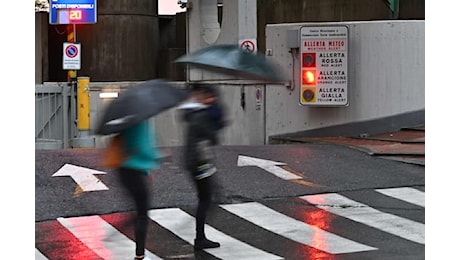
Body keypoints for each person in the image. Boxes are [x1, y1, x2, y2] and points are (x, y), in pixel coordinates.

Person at [180, 84, 228, 250]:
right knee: (206, 198)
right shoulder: (201, 115)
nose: (212, 99)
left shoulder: (194, 113)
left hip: (199, 161)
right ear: (201, 96)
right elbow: (213, 138)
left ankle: (200, 235)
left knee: (208, 196)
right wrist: (218, 122)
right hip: (199, 162)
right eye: (208, 96)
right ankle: (200, 238)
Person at [116, 119, 161, 260]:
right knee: (142, 214)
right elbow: (143, 148)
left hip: (124, 169)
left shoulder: (126, 119)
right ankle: (139, 255)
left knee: (139, 210)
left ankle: (129, 223)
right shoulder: (141, 122)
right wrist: (158, 157)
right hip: (135, 171)